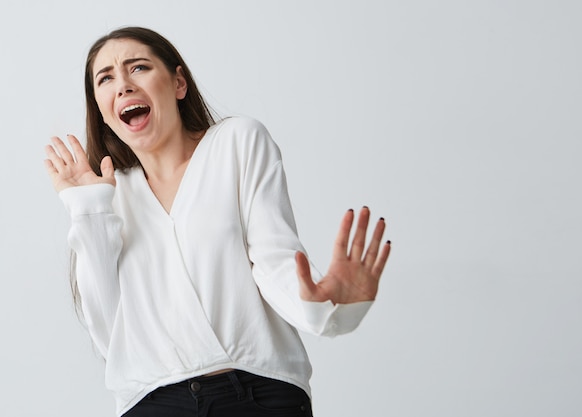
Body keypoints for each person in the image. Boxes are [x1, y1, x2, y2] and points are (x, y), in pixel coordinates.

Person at [44, 26, 390, 417]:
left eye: (137, 68)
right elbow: (112, 333)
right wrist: (88, 208)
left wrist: (322, 301)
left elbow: (273, 260)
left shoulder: (237, 142)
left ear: (178, 83)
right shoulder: (108, 196)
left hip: (258, 392)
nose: (122, 85)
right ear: (102, 109)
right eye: (105, 78)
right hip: (152, 403)